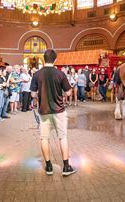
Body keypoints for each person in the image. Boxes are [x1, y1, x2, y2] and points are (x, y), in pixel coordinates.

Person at [30, 49, 76, 177]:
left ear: (44, 59)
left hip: (44, 111)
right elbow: (68, 92)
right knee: (62, 137)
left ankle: (48, 166)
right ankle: (66, 167)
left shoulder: (37, 74)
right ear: (55, 59)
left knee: (44, 138)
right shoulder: (60, 74)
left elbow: (33, 94)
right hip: (59, 110)